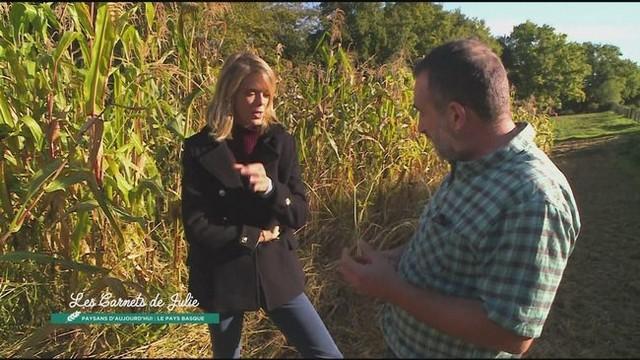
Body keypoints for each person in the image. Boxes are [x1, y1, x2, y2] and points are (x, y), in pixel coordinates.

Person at [339, 39, 581, 358]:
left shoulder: (533, 198)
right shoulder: (471, 165)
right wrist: (395, 259)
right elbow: (454, 246)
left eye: (422, 113)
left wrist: (392, 289)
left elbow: (511, 332)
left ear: (456, 115)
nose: (420, 128)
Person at [181, 52, 342, 359]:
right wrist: (250, 235)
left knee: (326, 354)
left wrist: (270, 188)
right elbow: (196, 224)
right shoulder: (199, 149)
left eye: (266, 94)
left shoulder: (281, 142)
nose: (259, 102)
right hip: (223, 271)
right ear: (230, 94)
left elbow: (299, 212)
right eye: (250, 92)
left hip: (274, 268)